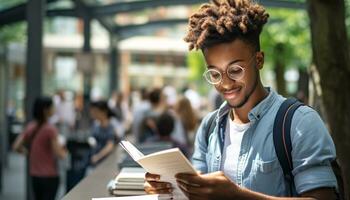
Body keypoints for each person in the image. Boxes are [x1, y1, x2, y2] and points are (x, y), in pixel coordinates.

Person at [145, 0, 338, 199]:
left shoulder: (300, 123)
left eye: (235, 70)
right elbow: (198, 189)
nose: (226, 84)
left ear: (259, 60)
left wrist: (238, 196)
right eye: (215, 74)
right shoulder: (209, 126)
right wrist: (171, 187)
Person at [12, 97, 67, 200]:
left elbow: (16, 146)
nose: (54, 109)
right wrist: (65, 150)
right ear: (46, 110)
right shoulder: (50, 129)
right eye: (52, 107)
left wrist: (28, 153)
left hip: (35, 175)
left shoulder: (31, 126)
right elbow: (59, 154)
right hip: (50, 175)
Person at [89, 100, 116, 166]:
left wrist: (97, 157)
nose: (94, 114)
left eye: (96, 112)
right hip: (95, 160)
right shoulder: (96, 124)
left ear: (104, 112)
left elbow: (110, 146)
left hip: (105, 162)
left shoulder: (110, 126)